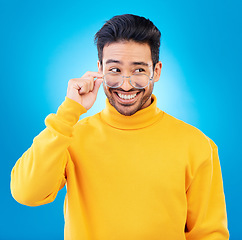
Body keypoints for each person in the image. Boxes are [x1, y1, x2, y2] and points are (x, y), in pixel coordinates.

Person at [10, 14, 229, 240]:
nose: (126, 84)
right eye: (114, 70)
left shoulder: (197, 145)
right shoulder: (69, 136)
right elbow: (26, 193)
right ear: (99, 69)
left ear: (157, 70)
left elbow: (209, 234)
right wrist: (68, 112)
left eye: (139, 70)